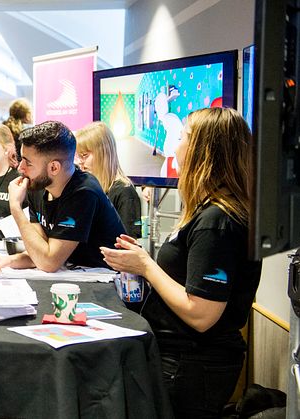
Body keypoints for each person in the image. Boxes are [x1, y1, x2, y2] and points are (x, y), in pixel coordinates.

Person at [100, 108, 261, 419]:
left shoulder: (218, 221)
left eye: (183, 138)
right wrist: (141, 262)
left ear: (204, 150)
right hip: (181, 359)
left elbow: (201, 314)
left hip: (193, 364)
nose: (174, 146)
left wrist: (146, 266)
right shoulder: (208, 212)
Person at [0, 120, 125, 276]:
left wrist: (16, 208)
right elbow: (40, 251)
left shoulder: (84, 192)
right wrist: (9, 261)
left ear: (54, 168)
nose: (20, 168)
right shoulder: (36, 186)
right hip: (76, 273)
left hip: (108, 281)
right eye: (21, 158)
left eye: (27, 163)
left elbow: (49, 262)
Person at [76, 121, 142, 238]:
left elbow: (127, 243)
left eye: (85, 155)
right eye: (79, 156)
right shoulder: (88, 189)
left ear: (103, 153)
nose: (80, 161)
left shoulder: (124, 192)